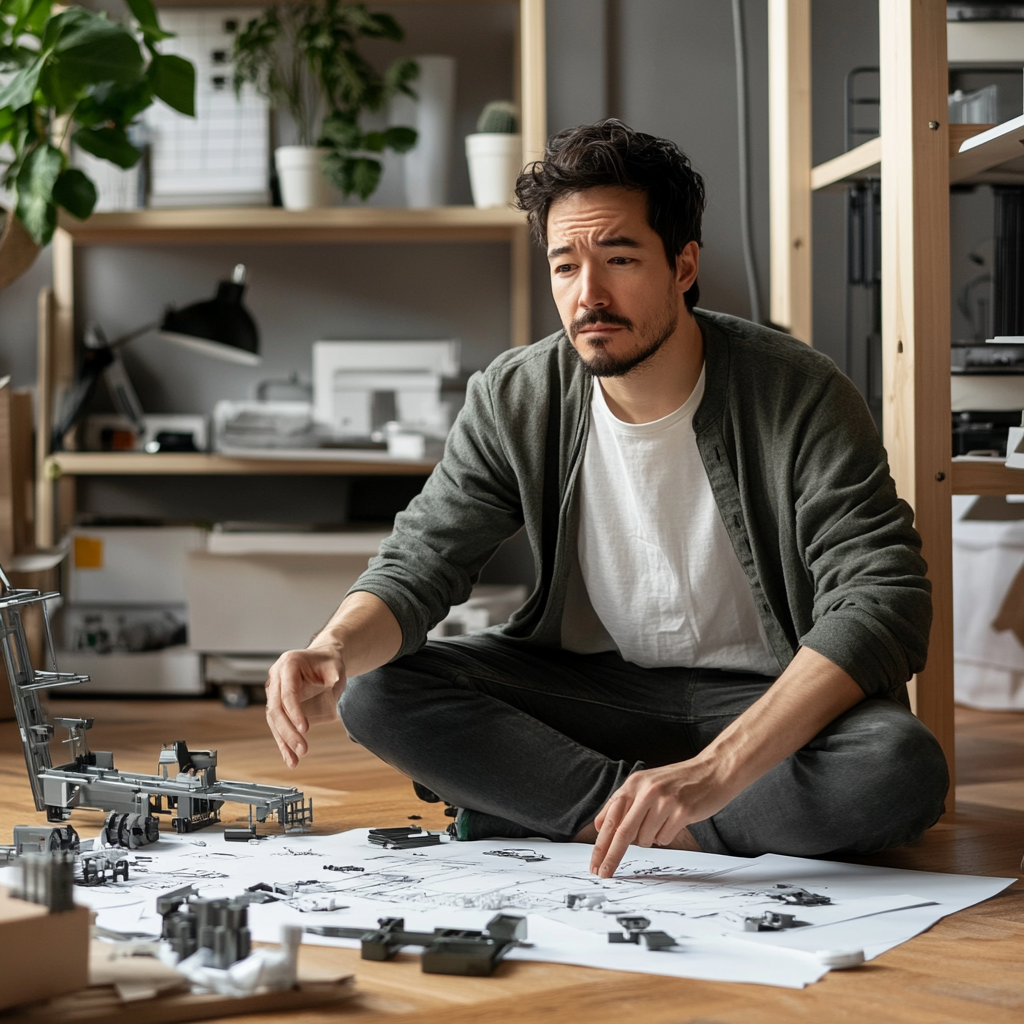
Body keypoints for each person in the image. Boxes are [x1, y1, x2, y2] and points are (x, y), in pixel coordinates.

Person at [264, 120, 948, 878]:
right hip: (596, 692)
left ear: (683, 265)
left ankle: (565, 809)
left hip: (765, 698)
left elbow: (883, 597)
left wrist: (719, 770)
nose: (589, 295)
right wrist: (330, 647)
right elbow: (422, 559)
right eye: (565, 266)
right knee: (378, 689)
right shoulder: (516, 396)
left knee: (897, 766)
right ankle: (642, 813)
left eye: (620, 258)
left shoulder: (799, 392)